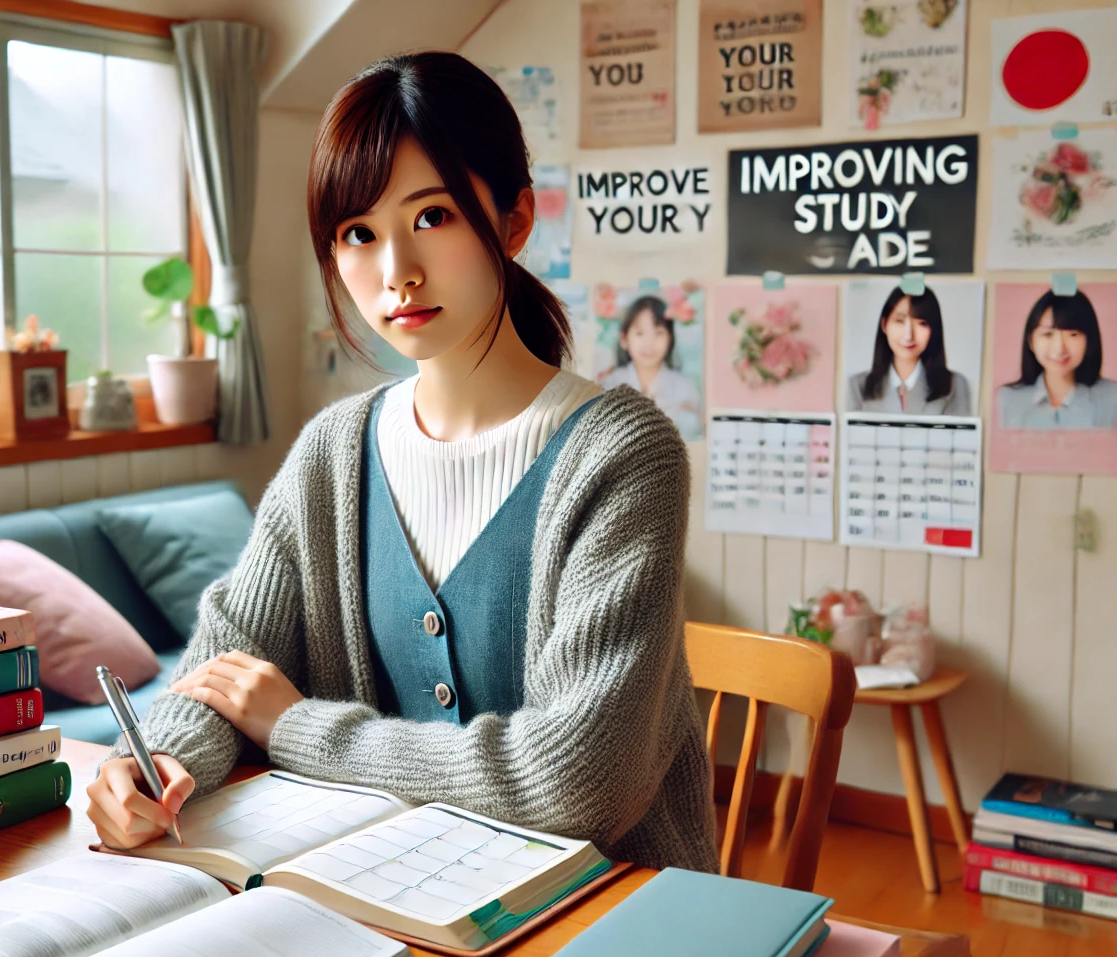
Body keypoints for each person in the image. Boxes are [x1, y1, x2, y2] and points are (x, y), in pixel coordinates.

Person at [84, 52, 718, 872]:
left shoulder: (622, 455)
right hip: (397, 905)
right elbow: (223, 667)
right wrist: (158, 761)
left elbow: (579, 783)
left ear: (515, 220)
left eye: (432, 217)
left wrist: (295, 727)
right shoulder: (332, 456)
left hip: (606, 928)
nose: (395, 275)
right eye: (357, 233)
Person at [995, 291, 1117, 430]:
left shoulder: (1114, 398)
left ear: (1089, 340)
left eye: (1073, 334)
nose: (1059, 349)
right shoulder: (1007, 399)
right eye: (1048, 334)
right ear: (1031, 341)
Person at [844, 287, 972, 415]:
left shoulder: (954, 385)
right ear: (884, 324)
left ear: (933, 329)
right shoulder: (858, 386)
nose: (908, 335)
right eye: (899, 321)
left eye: (921, 323)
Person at [602, 294, 704, 437]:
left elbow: (694, 430)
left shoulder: (685, 387)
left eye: (658, 333)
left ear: (670, 339)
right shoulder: (609, 385)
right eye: (640, 333)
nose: (649, 343)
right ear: (624, 339)